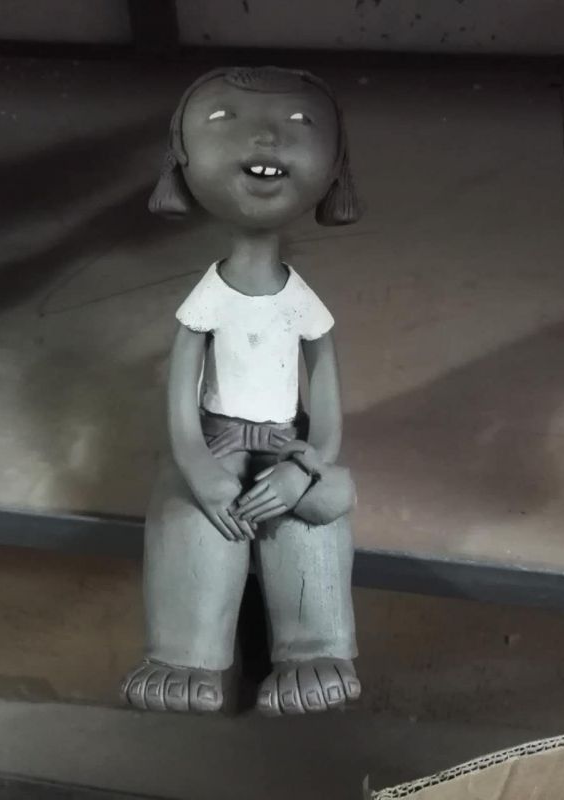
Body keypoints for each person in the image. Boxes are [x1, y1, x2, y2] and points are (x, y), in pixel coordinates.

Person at [122, 66, 363, 716]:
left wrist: (309, 465)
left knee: (314, 517)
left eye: (300, 124)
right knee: (193, 515)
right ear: (182, 156)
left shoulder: (301, 303)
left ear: (334, 164)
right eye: (224, 121)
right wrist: (197, 467)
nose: (266, 140)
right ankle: (184, 652)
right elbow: (181, 395)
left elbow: (326, 389)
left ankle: (316, 648)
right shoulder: (209, 299)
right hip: (216, 439)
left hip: (288, 443)